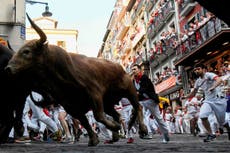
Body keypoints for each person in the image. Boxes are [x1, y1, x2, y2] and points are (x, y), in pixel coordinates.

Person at [182, 63, 228, 142]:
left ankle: (226, 126)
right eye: (195, 70)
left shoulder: (209, 75)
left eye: (198, 69)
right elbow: (194, 92)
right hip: (208, 101)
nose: (196, 71)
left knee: (222, 122)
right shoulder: (198, 81)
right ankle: (211, 134)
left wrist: (213, 87)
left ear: (203, 69)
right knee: (203, 116)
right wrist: (186, 97)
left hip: (218, 100)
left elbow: (219, 80)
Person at [131, 64, 170, 143]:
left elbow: (143, 89)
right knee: (142, 117)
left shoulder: (144, 78)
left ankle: (166, 134)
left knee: (158, 118)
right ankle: (148, 133)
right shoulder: (133, 81)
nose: (133, 71)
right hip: (142, 101)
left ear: (139, 70)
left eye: (135, 69)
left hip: (151, 100)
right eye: (132, 70)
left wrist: (135, 93)